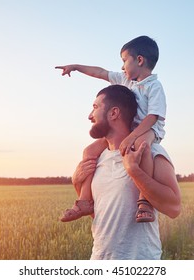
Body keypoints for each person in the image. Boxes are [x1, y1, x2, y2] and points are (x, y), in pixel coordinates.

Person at [56, 36, 166, 223]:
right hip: (131, 131)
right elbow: (100, 72)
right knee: (89, 151)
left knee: (142, 147)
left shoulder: (154, 86)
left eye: (124, 61)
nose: (122, 67)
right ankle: (84, 200)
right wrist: (75, 67)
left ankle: (145, 201)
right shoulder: (126, 80)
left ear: (139, 60)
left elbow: (152, 117)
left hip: (149, 130)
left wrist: (132, 137)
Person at [72, 84, 181, 259]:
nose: (90, 116)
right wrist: (77, 183)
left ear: (114, 113)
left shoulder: (151, 152)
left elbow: (174, 208)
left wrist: (134, 171)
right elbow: (99, 215)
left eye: (95, 107)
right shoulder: (96, 158)